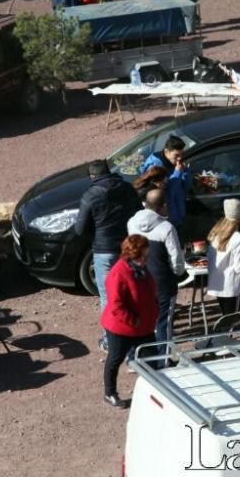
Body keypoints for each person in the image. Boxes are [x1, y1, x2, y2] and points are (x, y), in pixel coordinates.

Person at [73, 160, 141, 314]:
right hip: (127, 247)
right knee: (129, 291)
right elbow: (139, 212)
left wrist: (94, 237)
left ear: (92, 176)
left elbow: (80, 229)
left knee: (108, 295)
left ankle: (110, 336)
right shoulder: (127, 188)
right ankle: (133, 331)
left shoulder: (90, 195)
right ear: (108, 171)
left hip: (104, 250)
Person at [100, 234, 158, 408]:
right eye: (142, 256)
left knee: (152, 359)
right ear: (131, 255)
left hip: (143, 326)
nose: (145, 259)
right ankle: (110, 393)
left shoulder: (140, 268)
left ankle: (153, 393)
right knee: (115, 359)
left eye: (146, 256)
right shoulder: (118, 273)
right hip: (122, 328)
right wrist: (134, 321)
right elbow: (116, 305)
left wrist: (154, 309)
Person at [126, 190, 185, 351]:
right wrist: (178, 272)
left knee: (143, 321)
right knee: (163, 323)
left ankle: (139, 359)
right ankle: (163, 362)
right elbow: (177, 261)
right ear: (163, 206)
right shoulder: (166, 228)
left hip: (140, 279)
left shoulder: (132, 223)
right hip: (162, 282)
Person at [205, 199, 240, 315]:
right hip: (230, 286)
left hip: (216, 283)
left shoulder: (216, 232)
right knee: (232, 320)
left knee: (226, 316)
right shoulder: (239, 238)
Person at [139, 136, 191, 228]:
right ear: (166, 151)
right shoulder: (156, 167)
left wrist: (184, 171)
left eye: (181, 154)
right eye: (176, 155)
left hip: (178, 212)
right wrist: (178, 172)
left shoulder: (174, 164)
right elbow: (167, 194)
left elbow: (185, 186)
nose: (180, 158)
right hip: (169, 220)